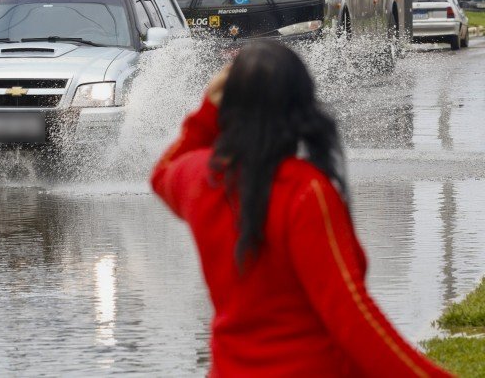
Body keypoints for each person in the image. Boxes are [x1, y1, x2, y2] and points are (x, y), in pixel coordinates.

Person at [150, 41, 450, 377]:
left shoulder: (204, 179)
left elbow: (163, 171)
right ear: (300, 108)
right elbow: (353, 317)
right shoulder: (306, 192)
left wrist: (207, 112)